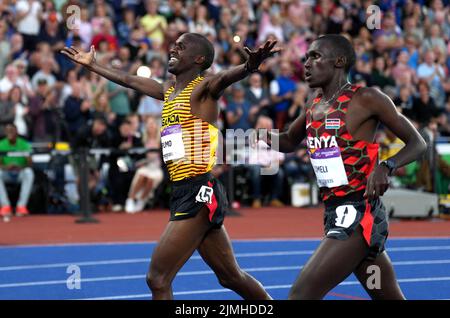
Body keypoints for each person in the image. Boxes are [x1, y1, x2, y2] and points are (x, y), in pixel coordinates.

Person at [61, 32, 277, 300]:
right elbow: (128, 80)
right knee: (230, 277)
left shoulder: (203, 87)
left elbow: (223, 79)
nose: (173, 49)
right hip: (186, 190)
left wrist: (248, 67)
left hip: (198, 189)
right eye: (173, 45)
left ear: (198, 59)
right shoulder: (168, 90)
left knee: (158, 278)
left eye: (181, 47)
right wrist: (93, 65)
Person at [261, 34, 427, 299]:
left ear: (339, 61)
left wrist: (387, 165)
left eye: (315, 57)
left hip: (358, 213)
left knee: (301, 295)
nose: (306, 64)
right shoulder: (313, 103)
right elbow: (290, 141)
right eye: (306, 58)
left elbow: (418, 142)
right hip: (333, 211)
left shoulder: (367, 98)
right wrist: (253, 136)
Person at [0, 123, 34, 222]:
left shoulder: (24, 144)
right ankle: (5, 206)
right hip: (7, 173)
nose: (10, 133)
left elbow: (30, 164)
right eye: (7, 131)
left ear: (16, 132)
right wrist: (7, 167)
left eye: (12, 130)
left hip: (20, 172)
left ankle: (21, 206)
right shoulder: (1, 144)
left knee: (29, 172)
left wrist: (21, 166)